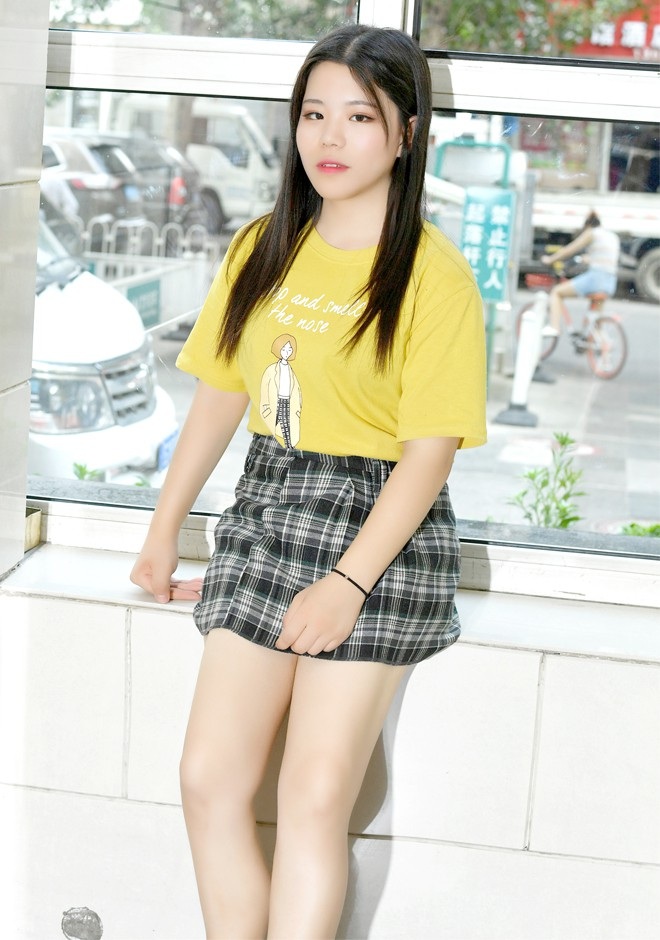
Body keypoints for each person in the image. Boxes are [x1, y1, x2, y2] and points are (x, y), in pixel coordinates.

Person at [130, 23, 486, 940]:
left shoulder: (436, 277)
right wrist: (164, 528)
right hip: (269, 506)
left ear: (406, 134)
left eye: (359, 117)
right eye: (314, 113)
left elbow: (429, 456)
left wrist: (346, 583)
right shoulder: (264, 245)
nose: (329, 138)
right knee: (209, 777)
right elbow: (221, 394)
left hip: (381, 528)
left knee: (315, 796)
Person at [540, 210, 620, 337]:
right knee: (595, 317)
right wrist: (585, 259)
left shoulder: (592, 233)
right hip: (609, 282)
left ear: (587, 225)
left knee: (557, 292)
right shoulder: (612, 236)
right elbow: (603, 257)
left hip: (596, 279)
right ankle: (593, 338)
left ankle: (554, 327)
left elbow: (569, 250)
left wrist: (550, 259)